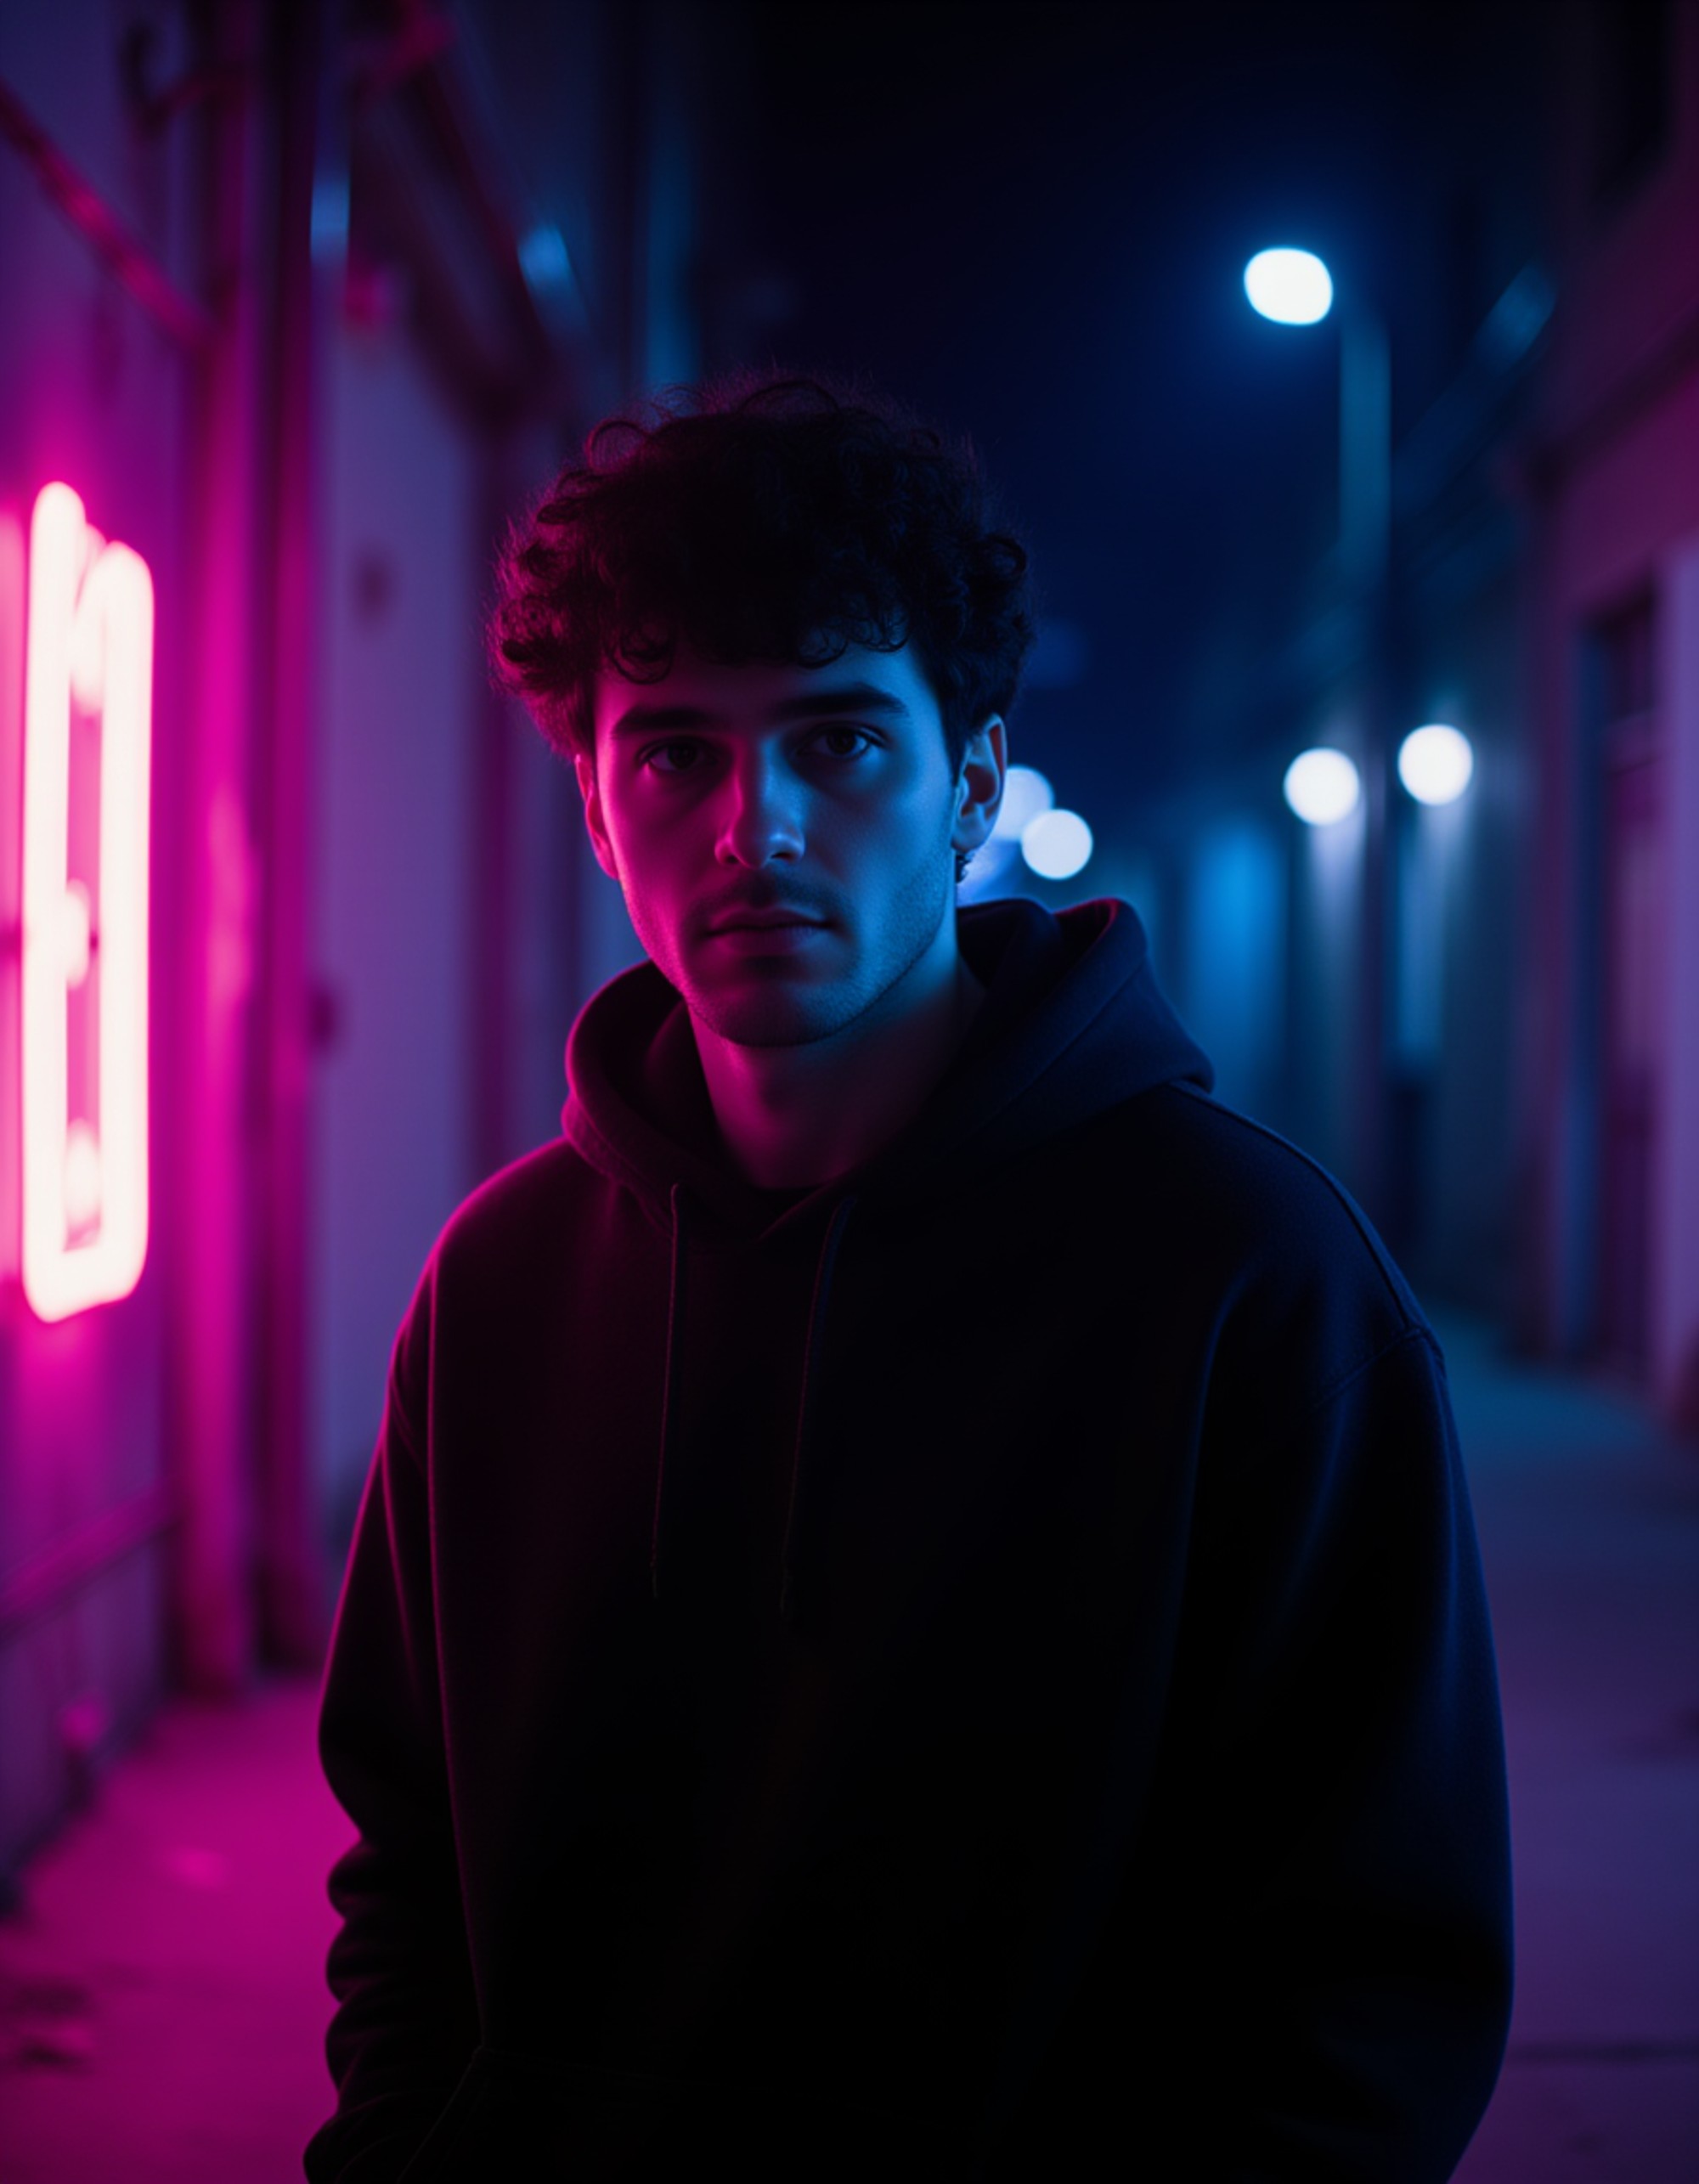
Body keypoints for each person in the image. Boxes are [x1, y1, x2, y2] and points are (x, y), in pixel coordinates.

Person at [305, 375, 1513, 2183]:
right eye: (677, 749)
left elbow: (1368, 1962)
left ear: (971, 781)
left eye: (839, 740)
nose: (753, 827)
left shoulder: (1245, 1281)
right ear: (594, 799)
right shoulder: (499, 1288)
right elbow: (404, 1858)